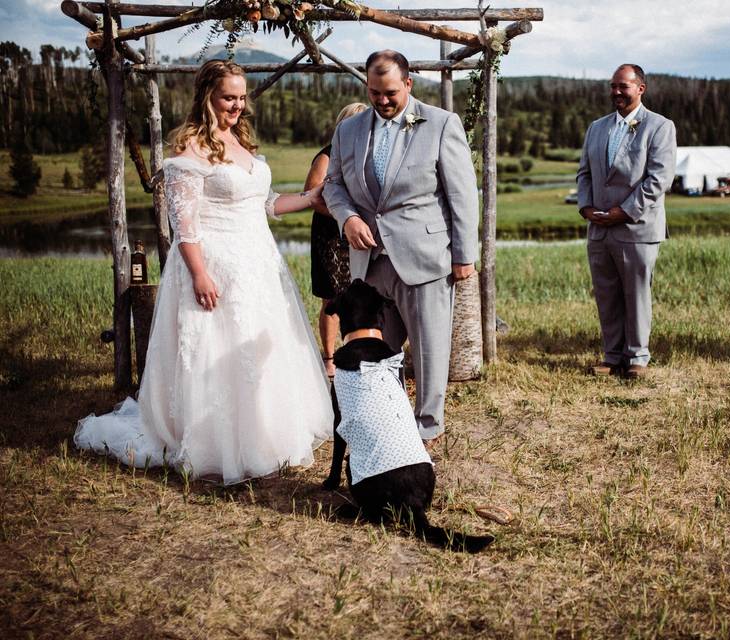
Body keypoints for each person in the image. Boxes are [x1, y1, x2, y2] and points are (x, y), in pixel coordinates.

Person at [75, 59, 335, 484]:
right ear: (207, 97)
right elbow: (184, 223)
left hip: (256, 262)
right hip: (214, 261)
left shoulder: (239, 141)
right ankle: (217, 441)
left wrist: (310, 198)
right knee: (215, 351)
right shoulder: (189, 150)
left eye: (241, 97)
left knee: (257, 348)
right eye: (228, 97)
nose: (237, 105)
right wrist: (198, 273)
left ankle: (265, 433)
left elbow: (265, 204)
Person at [323, 50, 479, 443]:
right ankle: (384, 420)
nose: (382, 100)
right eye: (374, 92)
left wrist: (464, 256)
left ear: (408, 84)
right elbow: (334, 185)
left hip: (424, 258)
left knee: (429, 351)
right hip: (371, 264)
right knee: (376, 351)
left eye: (390, 92)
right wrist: (349, 218)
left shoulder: (442, 124)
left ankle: (427, 430)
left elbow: (462, 195)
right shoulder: (349, 130)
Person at [576, 63, 677, 379]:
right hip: (599, 228)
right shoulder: (597, 127)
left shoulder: (659, 127)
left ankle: (637, 358)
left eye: (624, 86)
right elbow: (585, 174)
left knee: (636, 294)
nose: (617, 92)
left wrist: (626, 210)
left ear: (640, 89)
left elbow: (659, 178)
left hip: (637, 227)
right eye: (613, 86)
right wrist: (587, 208)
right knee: (606, 294)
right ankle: (612, 356)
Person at [304, 102, 369, 378]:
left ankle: (358, 350)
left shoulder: (364, 155)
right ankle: (329, 357)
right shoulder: (327, 156)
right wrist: (344, 216)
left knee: (360, 295)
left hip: (358, 233)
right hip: (331, 235)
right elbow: (311, 194)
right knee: (332, 298)